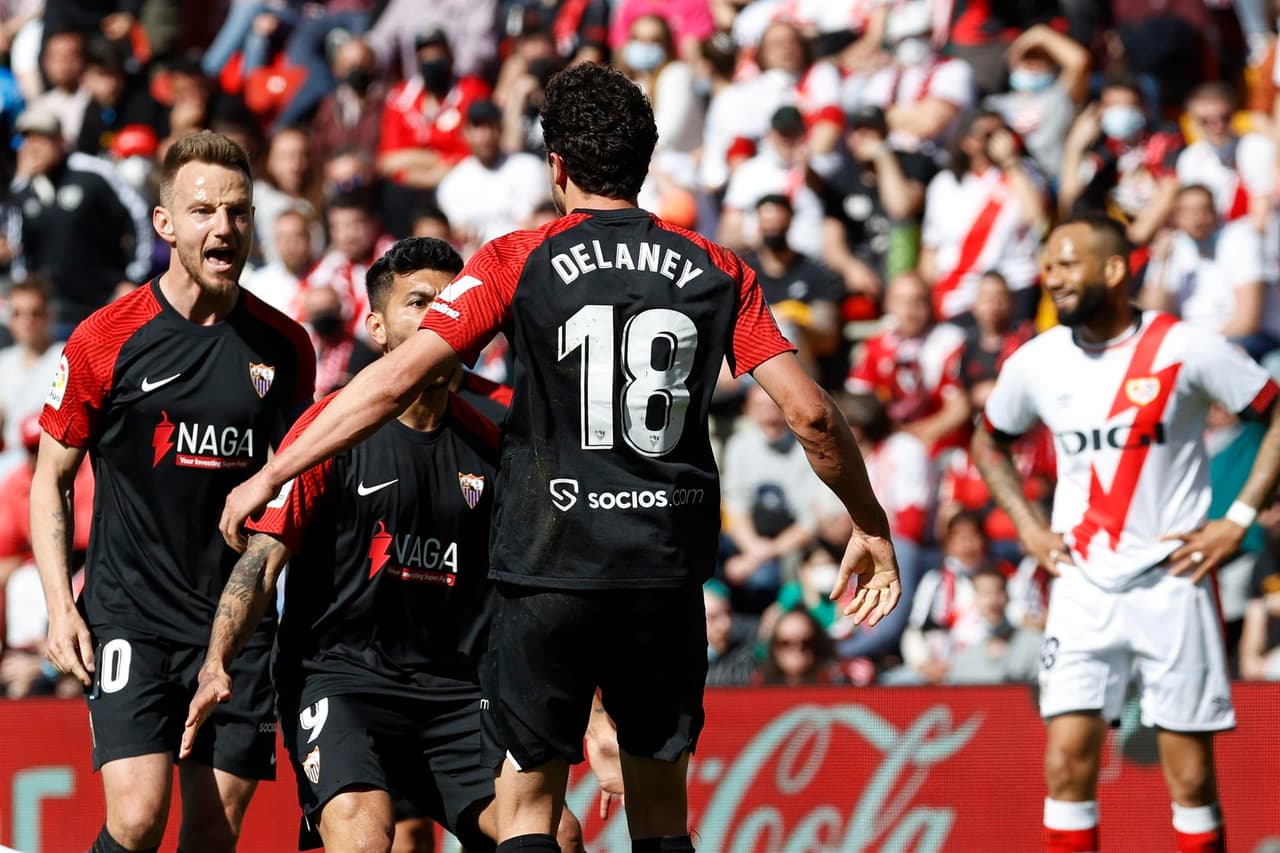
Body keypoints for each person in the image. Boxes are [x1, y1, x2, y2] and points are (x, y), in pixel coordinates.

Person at [218, 63, 901, 853]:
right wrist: (868, 519)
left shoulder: (517, 258)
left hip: (546, 571)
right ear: (645, 164)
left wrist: (272, 471)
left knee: (531, 817)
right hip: (662, 576)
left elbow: (395, 377)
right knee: (661, 820)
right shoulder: (720, 269)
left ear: (557, 168)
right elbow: (812, 413)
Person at [181, 237, 583, 853]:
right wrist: (217, 661)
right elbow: (263, 561)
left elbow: (539, 585)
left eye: (455, 304)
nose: (439, 319)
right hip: (341, 682)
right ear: (376, 326)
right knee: (367, 838)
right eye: (419, 303)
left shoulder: (496, 444)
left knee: (555, 833)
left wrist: (598, 709)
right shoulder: (327, 431)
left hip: (454, 691)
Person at [31, 131, 316, 853]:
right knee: (136, 816)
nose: (224, 227)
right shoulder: (105, 339)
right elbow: (50, 481)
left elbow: (292, 493)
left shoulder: (286, 349)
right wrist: (62, 606)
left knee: (212, 836)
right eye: (203, 211)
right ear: (165, 224)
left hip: (239, 622)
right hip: (133, 614)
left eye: (239, 212)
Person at [973, 215, 1280, 853]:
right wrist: (1030, 528)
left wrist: (1240, 518)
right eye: (1048, 265)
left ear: (1115, 271)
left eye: (1066, 263)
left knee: (1192, 781)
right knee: (1065, 767)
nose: (1051, 277)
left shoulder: (1186, 347)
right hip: (1082, 583)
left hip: (1174, 581)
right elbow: (988, 441)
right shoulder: (1035, 360)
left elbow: (1275, 413)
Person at [8, 106, 152, 334]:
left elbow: (139, 215)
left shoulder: (92, 172)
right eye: (28, 139)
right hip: (53, 313)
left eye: (42, 138)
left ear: (60, 140)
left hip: (105, 304)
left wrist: (133, 279)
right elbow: (19, 249)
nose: (34, 147)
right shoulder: (24, 187)